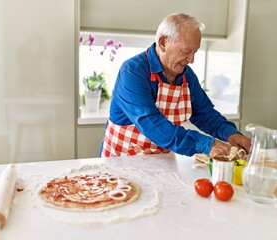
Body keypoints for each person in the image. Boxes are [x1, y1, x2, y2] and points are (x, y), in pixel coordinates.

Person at [100, 13, 251, 158]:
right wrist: (205, 144)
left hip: (161, 161)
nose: (191, 60)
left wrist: (231, 133)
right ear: (163, 43)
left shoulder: (186, 75)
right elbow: (153, 125)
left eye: (195, 52)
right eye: (186, 51)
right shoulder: (133, 72)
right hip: (120, 162)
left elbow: (204, 113)